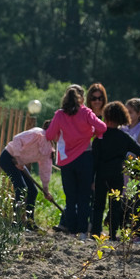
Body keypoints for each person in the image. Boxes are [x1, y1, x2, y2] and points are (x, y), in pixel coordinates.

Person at [45, 84, 107, 239]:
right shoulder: (86, 112)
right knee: (84, 197)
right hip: (85, 158)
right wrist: (92, 133)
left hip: (66, 161)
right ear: (82, 98)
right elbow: (103, 127)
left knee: (71, 198)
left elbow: (49, 135)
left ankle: (72, 232)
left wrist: (61, 134)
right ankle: (83, 233)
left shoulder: (59, 114)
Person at [91, 102, 140, 240]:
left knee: (98, 205)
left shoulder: (99, 137)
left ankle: (96, 233)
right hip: (117, 173)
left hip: (101, 174)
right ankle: (112, 235)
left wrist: (92, 179)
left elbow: (94, 161)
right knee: (115, 205)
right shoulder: (124, 137)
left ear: (106, 116)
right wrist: (126, 159)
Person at [0, 121, 54, 230]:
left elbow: (45, 169)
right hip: (9, 158)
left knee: (33, 190)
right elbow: (17, 138)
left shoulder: (48, 148)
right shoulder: (37, 133)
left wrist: (46, 190)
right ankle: (16, 223)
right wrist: (18, 159)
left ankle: (30, 223)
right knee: (21, 188)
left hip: (19, 164)